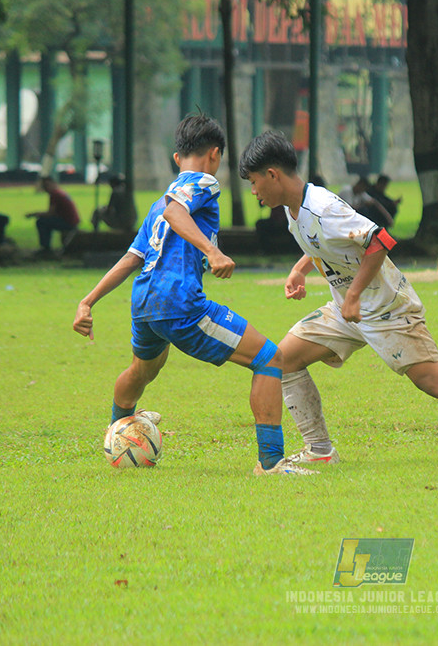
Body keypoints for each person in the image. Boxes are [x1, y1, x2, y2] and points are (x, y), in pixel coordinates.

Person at [238, 131, 438, 465]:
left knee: (434, 382)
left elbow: (378, 240)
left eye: (254, 182)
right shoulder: (294, 209)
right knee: (282, 359)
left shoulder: (323, 207)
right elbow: (330, 243)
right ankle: (320, 451)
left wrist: (353, 295)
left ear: (273, 175)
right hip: (346, 311)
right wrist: (301, 269)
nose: (254, 192)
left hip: (387, 309)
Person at [72, 114, 315, 477]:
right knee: (270, 359)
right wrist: (212, 252)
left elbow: (131, 258)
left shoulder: (157, 203)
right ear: (215, 155)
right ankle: (271, 463)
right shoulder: (202, 183)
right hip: (178, 301)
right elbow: (176, 212)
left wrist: (88, 301)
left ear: (175, 158)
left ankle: (118, 430)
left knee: (144, 368)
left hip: (144, 303)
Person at [27, 176, 80, 254]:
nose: (46, 188)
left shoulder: (55, 194)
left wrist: (35, 214)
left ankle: (45, 248)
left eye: (47, 185)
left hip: (68, 222)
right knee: (46, 222)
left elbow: (50, 213)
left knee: (41, 222)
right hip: (71, 221)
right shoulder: (59, 192)